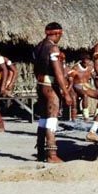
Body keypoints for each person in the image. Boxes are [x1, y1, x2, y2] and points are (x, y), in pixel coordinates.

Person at [33, 22, 72, 163]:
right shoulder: (53, 48)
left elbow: (35, 68)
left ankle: (40, 152)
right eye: (60, 35)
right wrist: (66, 93)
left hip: (40, 84)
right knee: (52, 118)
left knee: (43, 118)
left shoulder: (38, 47)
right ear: (56, 34)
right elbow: (58, 73)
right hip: (50, 87)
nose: (60, 38)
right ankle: (52, 154)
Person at [67, 52, 98, 121]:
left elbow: (94, 76)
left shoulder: (90, 67)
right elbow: (70, 78)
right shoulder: (76, 68)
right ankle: (85, 116)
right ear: (82, 60)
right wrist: (69, 89)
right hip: (76, 85)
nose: (87, 62)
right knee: (84, 95)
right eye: (85, 61)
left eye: (88, 60)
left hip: (86, 86)